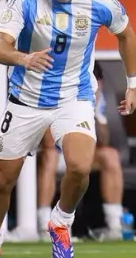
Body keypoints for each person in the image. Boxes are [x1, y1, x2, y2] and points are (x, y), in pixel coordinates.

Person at [0, 0, 136, 258]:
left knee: (80, 167)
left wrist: (133, 84)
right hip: (26, 100)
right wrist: (24, 58)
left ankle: (61, 221)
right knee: (2, 180)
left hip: (74, 97)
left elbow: (126, 35)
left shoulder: (99, 0)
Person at [36, 63, 126, 241]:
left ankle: (115, 226)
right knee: (50, 156)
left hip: (79, 155)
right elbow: (48, 141)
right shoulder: (56, 93)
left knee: (110, 156)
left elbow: (103, 140)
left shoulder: (96, 98)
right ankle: (44, 225)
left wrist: (93, 109)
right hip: (55, 153)